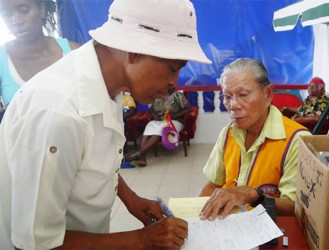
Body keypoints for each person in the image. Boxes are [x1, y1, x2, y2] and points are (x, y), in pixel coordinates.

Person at [0, 0, 211, 249]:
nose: (173, 83)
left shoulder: (110, 85)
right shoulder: (57, 114)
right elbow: (38, 243)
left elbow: (94, 156)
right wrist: (144, 239)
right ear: (135, 51)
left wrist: (132, 200)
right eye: (172, 69)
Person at [197, 58, 311, 221]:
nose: (233, 105)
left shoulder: (297, 140)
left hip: (271, 231)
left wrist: (253, 195)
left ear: (268, 94)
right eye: (227, 96)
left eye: (243, 95)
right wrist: (195, 219)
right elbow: (213, 184)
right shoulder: (228, 133)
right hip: (229, 226)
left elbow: (294, 207)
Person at [0, 0, 79, 108]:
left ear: (41, 9)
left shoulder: (74, 52)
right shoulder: (2, 60)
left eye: (24, 11)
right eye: (7, 14)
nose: (16, 21)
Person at [126, 85, 193, 167]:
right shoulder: (157, 97)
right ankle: (142, 157)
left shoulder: (177, 95)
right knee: (149, 126)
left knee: (161, 129)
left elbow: (189, 109)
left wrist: (176, 115)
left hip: (175, 121)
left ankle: (140, 153)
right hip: (160, 120)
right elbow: (151, 109)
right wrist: (155, 116)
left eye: (171, 86)